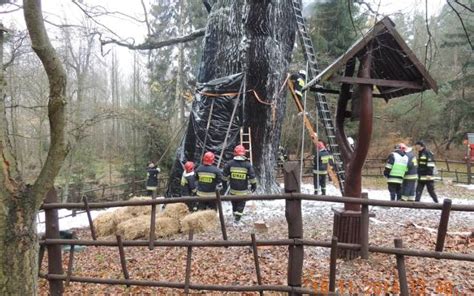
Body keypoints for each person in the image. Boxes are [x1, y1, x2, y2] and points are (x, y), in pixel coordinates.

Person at [223, 145, 257, 222]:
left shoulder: (229, 164)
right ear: (243, 153)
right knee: (241, 205)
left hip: (233, 191)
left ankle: (235, 215)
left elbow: (224, 177)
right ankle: (237, 219)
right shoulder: (247, 165)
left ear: (234, 153)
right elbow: (252, 177)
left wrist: (224, 185)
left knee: (234, 204)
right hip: (243, 192)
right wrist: (254, 185)